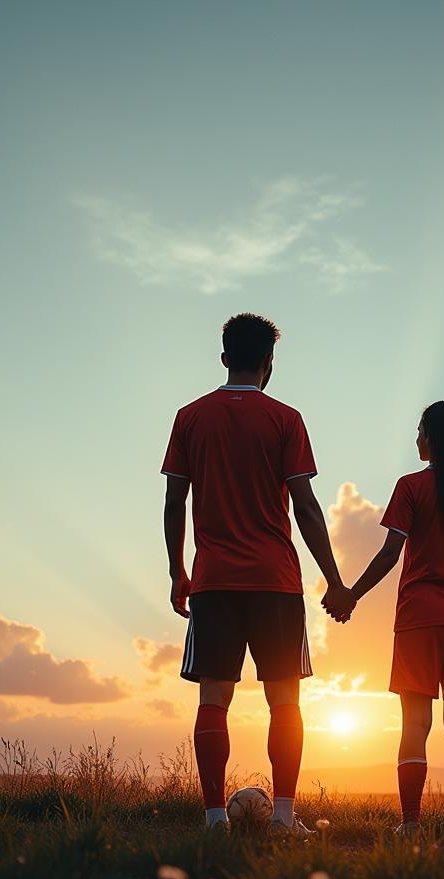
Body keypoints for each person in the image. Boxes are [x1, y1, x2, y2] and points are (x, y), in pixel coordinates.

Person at [162, 313, 350, 835]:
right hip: (276, 583)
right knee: (285, 701)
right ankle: (284, 818)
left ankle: (215, 819)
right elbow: (307, 508)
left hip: (214, 581)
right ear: (269, 363)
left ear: (224, 358)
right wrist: (334, 580)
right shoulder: (286, 419)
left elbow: (174, 500)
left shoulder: (190, 417)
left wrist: (178, 570)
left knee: (213, 700)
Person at [324, 401, 444, 835]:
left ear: (433, 437)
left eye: (420, 431)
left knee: (415, 723)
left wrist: (352, 594)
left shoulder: (410, 487)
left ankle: (410, 824)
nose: (416, 439)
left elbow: (391, 553)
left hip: (418, 618)